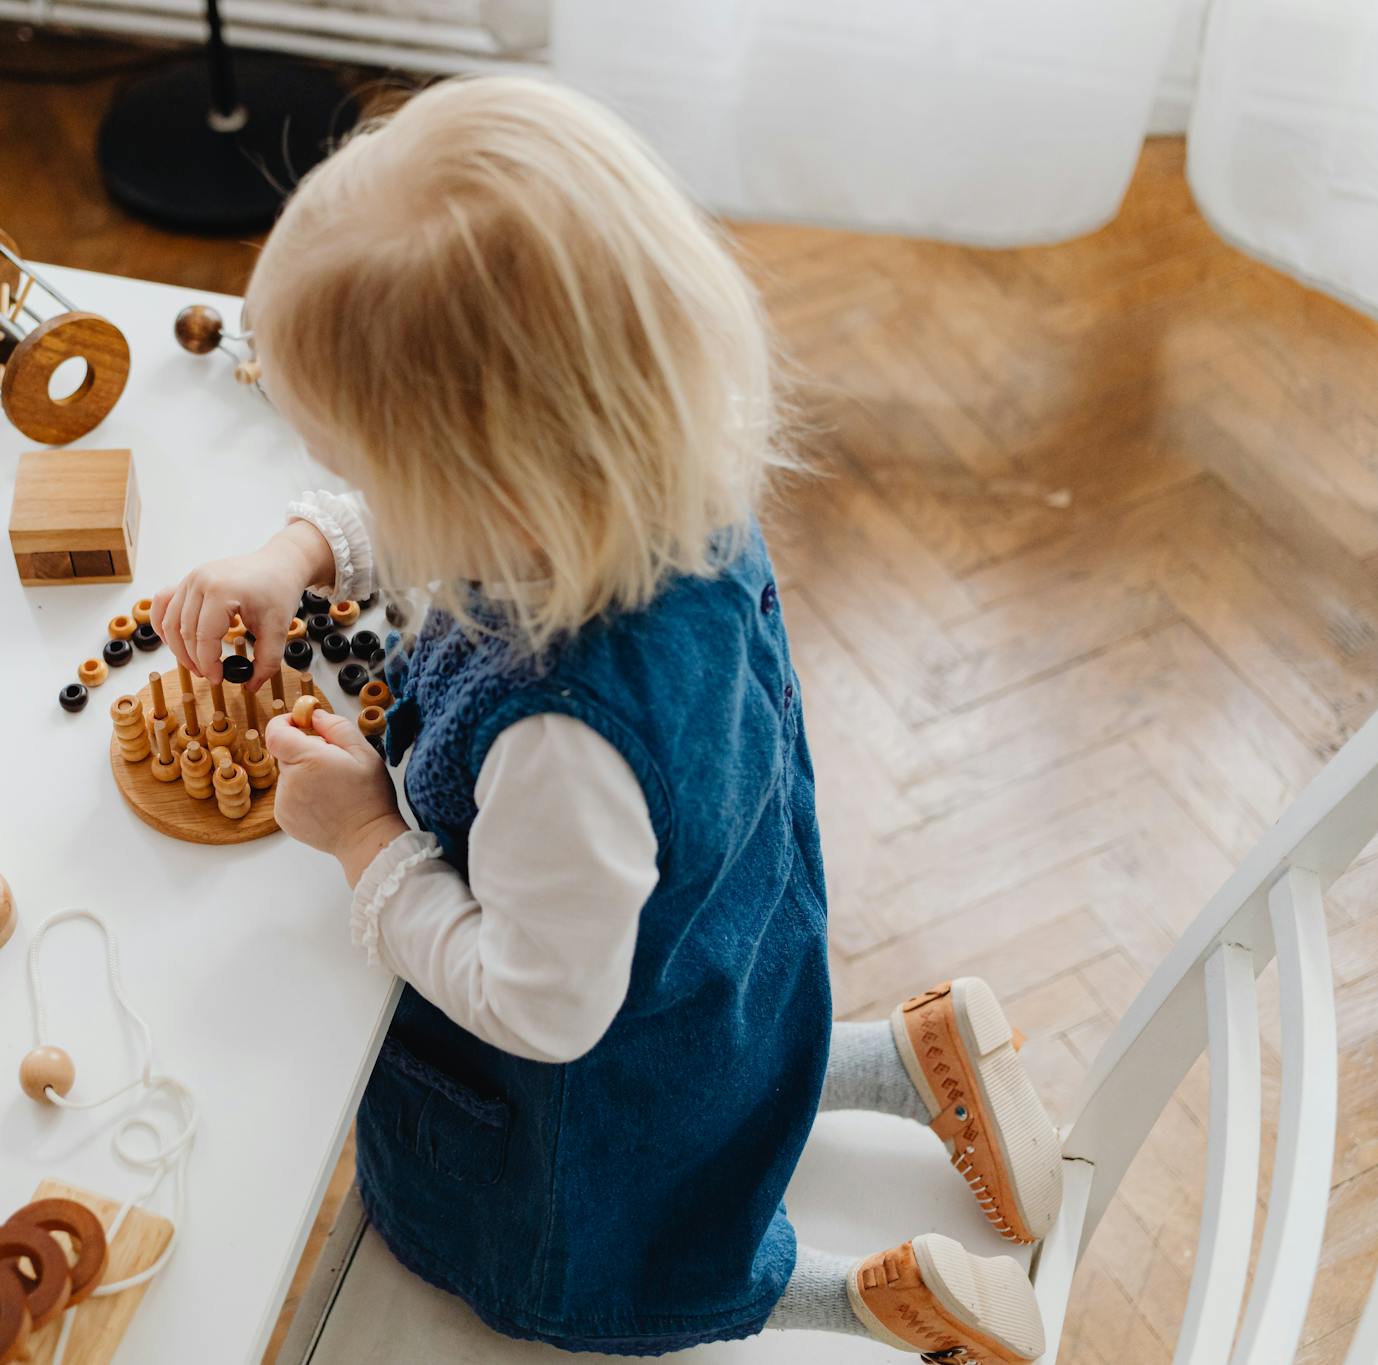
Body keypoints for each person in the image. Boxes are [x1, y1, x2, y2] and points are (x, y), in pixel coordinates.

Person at [153, 75, 1061, 1362]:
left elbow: (538, 1010)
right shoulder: (655, 471)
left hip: (579, 1096)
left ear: (485, 490)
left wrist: (363, 836)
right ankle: (898, 1062)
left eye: (367, 474)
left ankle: (859, 1298)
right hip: (723, 964)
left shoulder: (560, 748)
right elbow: (458, 528)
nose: (358, 494)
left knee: (610, 1263)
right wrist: (302, 546)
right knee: (710, 1099)